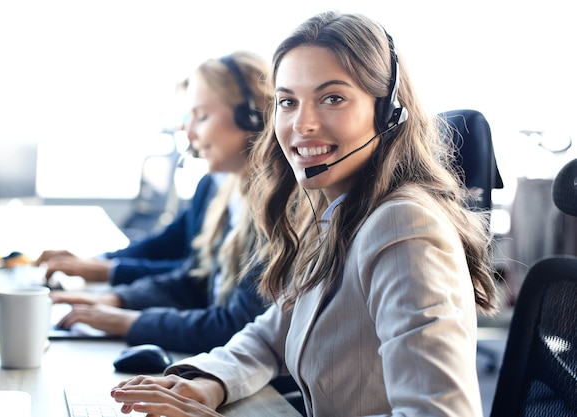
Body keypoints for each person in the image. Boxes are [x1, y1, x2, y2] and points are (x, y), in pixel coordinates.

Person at [109, 11, 499, 417]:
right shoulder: (334, 214)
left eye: (333, 98)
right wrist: (208, 384)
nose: (303, 123)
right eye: (287, 102)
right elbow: (270, 335)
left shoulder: (403, 227)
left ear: (388, 112)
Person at [50, 50, 275, 354]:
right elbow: (195, 279)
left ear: (250, 116)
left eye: (202, 116)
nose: (189, 131)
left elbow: (236, 326)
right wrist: (121, 300)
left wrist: (129, 321)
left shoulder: (275, 208)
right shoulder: (226, 192)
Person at [34, 171, 223, 286]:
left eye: (202, 116)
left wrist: (109, 271)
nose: (187, 129)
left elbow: (196, 274)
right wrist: (98, 261)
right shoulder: (209, 182)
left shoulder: (244, 201)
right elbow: (166, 242)